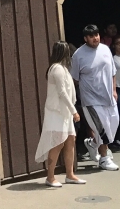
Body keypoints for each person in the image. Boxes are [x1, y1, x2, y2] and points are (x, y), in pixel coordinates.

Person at [34, 41, 87, 188]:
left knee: (70, 140)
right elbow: (62, 92)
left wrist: (71, 109)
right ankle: (50, 177)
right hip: (56, 112)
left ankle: (70, 174)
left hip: (65, 113)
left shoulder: (64, 68)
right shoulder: (56, 69)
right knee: (57, 143)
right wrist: (74, 110)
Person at [70, 24, 120, 171]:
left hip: (108, 97)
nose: (95, 38)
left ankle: (92, 143)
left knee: (113, 124)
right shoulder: (78, 55)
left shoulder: (105, 49)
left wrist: (114, 90)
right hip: (91, 100)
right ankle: (104, 159)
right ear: (86, 38)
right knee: (102, 128)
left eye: (97, 35)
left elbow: (113, 72)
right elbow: (75, 79)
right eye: (91, 36)